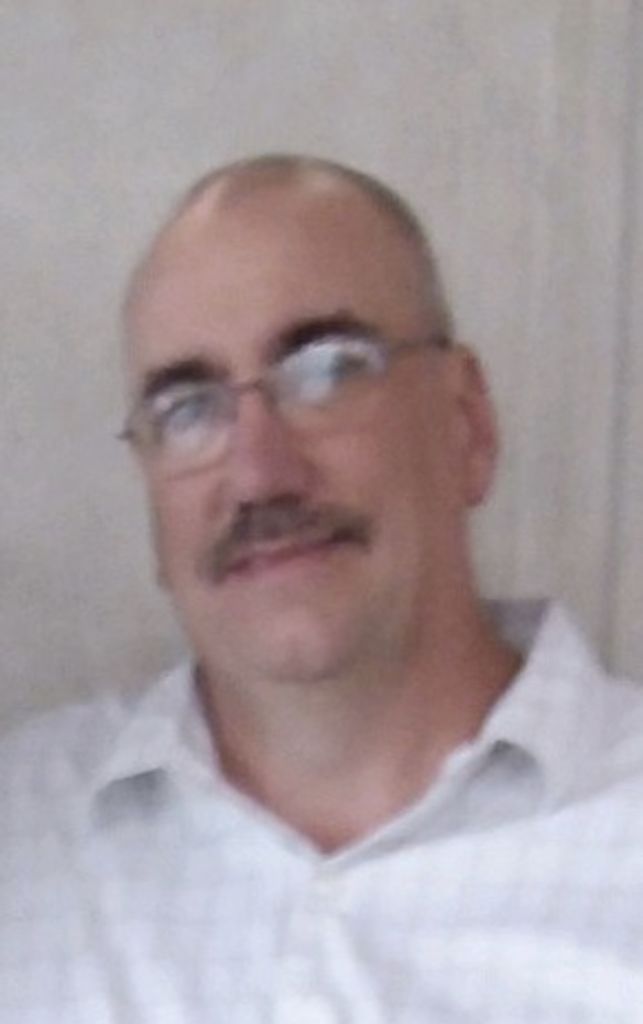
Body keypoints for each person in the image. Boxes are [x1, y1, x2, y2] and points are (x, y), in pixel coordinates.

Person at [2, 155, 643, 1022]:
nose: (258, 473)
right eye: (188, 408)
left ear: (466, 424)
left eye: (327, 371)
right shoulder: (23, 848)